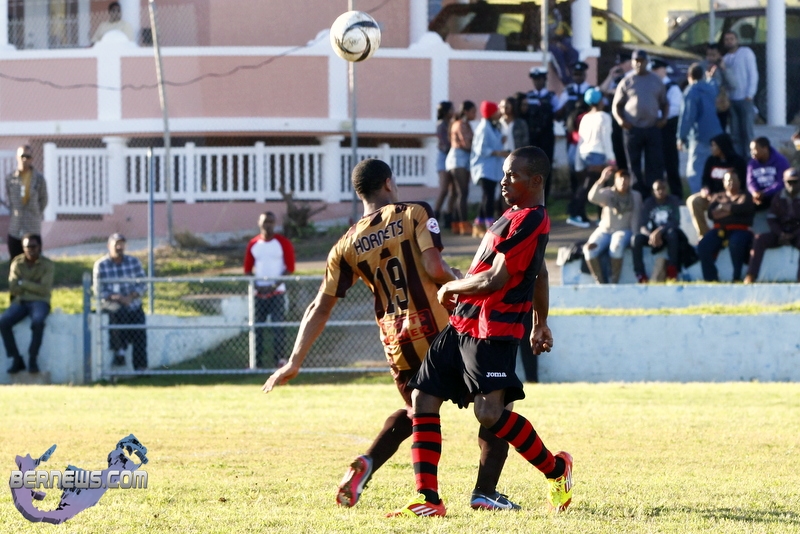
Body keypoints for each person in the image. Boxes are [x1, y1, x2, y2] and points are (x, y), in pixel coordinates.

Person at [263, 158, 521, 512]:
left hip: (397, 340)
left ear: (360, 192)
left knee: (417, 410)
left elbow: (319, 306)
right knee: (496, 401)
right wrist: (460, 281)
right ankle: (485, 491)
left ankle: (370, 463)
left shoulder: (345, 244)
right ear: (388, 183)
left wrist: (294, 361)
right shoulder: (414, 213)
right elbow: (433, 267)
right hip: (441, 330)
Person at [387, 146, 572, 518]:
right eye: (503, 174)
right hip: (462, 324)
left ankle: (556, 469)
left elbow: (494, 280)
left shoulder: (533, 219)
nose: (503, 181)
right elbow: (538, 272)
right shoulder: (512, 214)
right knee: (423, 398)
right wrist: (541, 322)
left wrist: (451, 286)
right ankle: (428, 498)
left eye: (512, 175)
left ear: (536, 180)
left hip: (493, 330)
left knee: (489, 413)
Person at [612, 49, 668, 200]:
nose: (638, 64)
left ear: (646, 62)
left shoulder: (656, 80)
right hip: (632, 129)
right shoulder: (627, 81)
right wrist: (621, 120)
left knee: (654, 163)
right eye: (636, 61)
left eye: (641, 61)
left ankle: (653, 195)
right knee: (633, 164)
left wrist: (664, 119)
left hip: (652, 127)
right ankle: (636, 195)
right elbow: (616, 105)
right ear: (632, 62)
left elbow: (664, 103)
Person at [244, 211, 295, 368]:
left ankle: (280, 360)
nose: (268, 225)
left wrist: (273, 285)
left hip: (277, 292)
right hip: (258, 293)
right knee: (256, 328)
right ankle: (256, 362)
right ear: (259, 223)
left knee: (278, 326)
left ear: (275, 223)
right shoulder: (253, 243)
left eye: (271, 222)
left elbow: (290, 267)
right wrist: (257, 285)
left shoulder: (282, 242)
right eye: (265, 222)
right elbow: (247, 269)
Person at [93, 233, 148, 370]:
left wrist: (131, 296)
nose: (119, 247)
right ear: (109, 246)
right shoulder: (101, 265)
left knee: (140, 330)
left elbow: (143, 284)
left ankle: (141, 368)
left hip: (132, 302)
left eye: (121, 244)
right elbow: (99, 290)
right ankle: (119, 352)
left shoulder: (134, 262)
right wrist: (117, 298)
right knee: (118, 312)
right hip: (111, 302)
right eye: (116, 244)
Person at [1, 234, 53, 374]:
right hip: (21, 301)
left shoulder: (47, 264)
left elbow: (44, 289)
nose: (30, 250)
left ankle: (32, 358)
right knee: (3, 322)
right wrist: (34, 285)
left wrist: (23, 283)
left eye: (33, 246)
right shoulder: (17, 263)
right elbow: (13, 288)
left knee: (38, 322)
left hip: (40, 301)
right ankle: (16, 359)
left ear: (39, 247)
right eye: (26, 247)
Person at [583, 167, 641, 284]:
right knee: (589, 249)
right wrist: (602, 179)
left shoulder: (635, 195)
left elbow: (636, 216)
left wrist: (635, 236)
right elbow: (592, 197)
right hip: (605, 230)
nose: (623, 182)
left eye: (626, 179)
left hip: (623, 230)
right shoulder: (608, 193)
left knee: (616, 248)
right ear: (615, 180)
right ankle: (600, 282)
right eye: (620, 179)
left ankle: (614, 281)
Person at [568, 88, 616, 228]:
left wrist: (578, 162)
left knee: (595, 184)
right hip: (597, 154)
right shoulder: (604, 116)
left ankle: (602, 217)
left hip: (584, 153)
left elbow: (580, 140)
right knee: (591, 184)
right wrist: (611, 159)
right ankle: (575, 212)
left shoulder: (585, 117)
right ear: (600, 101)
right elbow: (606, 139)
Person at [696, 170, 754, 282]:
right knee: (703, 245)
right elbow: (711, 214)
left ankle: (736, 277)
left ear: (739, 181)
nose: (731, 183)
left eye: (733, 180)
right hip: (720, 230)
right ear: (723, 182)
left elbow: (745, 210)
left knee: (736, 242)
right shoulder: (718, 197)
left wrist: (724, 208)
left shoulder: (745, 196)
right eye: (728, 180)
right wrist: (733, 210)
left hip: (740, 230)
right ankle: (711, 278)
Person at [686, 133, 747, 238]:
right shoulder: (711, 160)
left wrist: (723, 197)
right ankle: (704, 235)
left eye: (714, 145)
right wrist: (705, 189)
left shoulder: (738, 162)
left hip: (729, 199)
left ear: (722, 146)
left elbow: (741, 185)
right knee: (693, 201)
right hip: (711, 197)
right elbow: (705, 179)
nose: (711, 148)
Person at [745, 168, 800, 283]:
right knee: (759, 239)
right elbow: (771, 219)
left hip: (797, 234)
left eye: (795, 182)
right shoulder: (778, 197)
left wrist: (793, 234)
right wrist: (780, 233)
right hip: (779, 233)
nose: (792, 185)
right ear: (784, 182)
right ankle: (751, 275)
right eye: (789, 182)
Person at [677, 63, 724, 195]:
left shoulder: (691, 91)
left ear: (689, 76)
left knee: (695, 171)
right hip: (717, 135)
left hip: (700, 136)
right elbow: (714, 85)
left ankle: (698, 198)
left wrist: (681, 137)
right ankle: (715, 195)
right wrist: (711, 78)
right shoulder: (710, 88)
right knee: (714, 168)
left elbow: (688, 117)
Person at [632, 179, 691, 283]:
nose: (660, 191)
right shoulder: (648, 203)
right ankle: (640, 274)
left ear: (667, 189)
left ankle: (672, 271)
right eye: (657, 189)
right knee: (636, 239)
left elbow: (675, 222)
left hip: (667, 235)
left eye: (663, 188)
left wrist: (659, 231)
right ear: (653, 191)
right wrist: (651, 235)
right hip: (652, 237)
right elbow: (642, 225)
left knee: (673, 234)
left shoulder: (673, 200)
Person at [470, 100, 509, 238]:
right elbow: (481, 149)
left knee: (487, 195)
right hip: (484, 168)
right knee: (489, 196)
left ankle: (478, 223)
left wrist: (501, 141)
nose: (499, 113)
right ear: (491, 113)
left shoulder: (492, 126)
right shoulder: (483, 128)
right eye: (496, 111)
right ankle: (490, 225)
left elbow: (492, 143)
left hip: (492, 168)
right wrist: (499, 153)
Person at [5, 146, 48, 261]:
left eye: (28, 156)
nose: (25, 159)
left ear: (32, 159)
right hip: (16, 227)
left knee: (35, 261)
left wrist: (35, 213)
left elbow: (43, 200)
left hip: (32, 226)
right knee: (15, 261)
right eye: (22, 156)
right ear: (17, 157)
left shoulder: (39, 179)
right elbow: (9, 199)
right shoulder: (10, 178)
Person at [651, 58, 684, 198]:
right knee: (655, 163)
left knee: (671, 163)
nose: (654, 72)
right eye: (653, 70)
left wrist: (660, 115)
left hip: (668, 128)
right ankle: (656, 195)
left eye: (657, 69)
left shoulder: (672, 87)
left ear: (664, 70)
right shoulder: (650, 85)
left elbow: (676, 108)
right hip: (653, 128)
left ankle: (676, 195)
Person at [722, 30, 758, 158]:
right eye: (727, 39)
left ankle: (750, 160)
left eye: (732, 39)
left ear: (737, 40)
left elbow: (753, 74)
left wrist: (750, 94)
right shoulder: (725, 59)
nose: (729, 41)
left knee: (748, 132)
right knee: (735, 134)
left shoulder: (746, 53)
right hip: (731, 100)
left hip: (745, 98)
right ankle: (738, 161)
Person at [526, 67, 558, 201]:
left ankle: (545, 195)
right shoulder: (529, 97)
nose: (537, 82)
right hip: (532, 137)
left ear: (544, 80)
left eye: (539, 79)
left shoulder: (551, 97)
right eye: (535, 79)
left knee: (545, 165)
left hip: (546, 137)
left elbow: (557, 113)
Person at [445, 100, 476, 235]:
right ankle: (463, 223)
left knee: (457, 193)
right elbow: (466, 144)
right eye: (473, 111)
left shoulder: (465, 124)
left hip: (462, 159)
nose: (475, 114)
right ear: (466, 112)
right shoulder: (461, 125)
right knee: (462, 192)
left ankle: (456, 224)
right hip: (458, 159)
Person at [600, 51, 633, 173]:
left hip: (627, 119)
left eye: (623, 63)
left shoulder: (633, 78)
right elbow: (601, 90)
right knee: (617, 150)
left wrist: (612, 92)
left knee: (628, 152)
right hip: (615, 120)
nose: (620, 65)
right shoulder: (617, 78)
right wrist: (610, 76)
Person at [746, 137, 790, 211]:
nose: (752, 152)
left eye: (754, 149)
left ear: (765, 148)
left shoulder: (780, 161)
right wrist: (755, 192)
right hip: (758, 197)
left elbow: (781, 182)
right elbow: (750, 182)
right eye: (751, 150)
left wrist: (764, 193)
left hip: (776, 195)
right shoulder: (752, 164)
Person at [700, 43, 735, 131]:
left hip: (721, 105)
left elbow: (733, 84)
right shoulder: (702, 66)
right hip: (706, 104)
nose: (710, 58)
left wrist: (724, 70)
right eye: (708, 55)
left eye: (713, 55)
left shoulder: (724, 66)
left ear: (719, 55)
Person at [433, 101, 455, 229]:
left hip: (451, 157)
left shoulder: (450, 123)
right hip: (444, 158)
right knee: (444, 189)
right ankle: (434, 215)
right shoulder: (441, 125)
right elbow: (445, 143)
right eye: (451, 109)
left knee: (453, 190)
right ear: (446, 111)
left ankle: (448, 216)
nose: (453, 111)